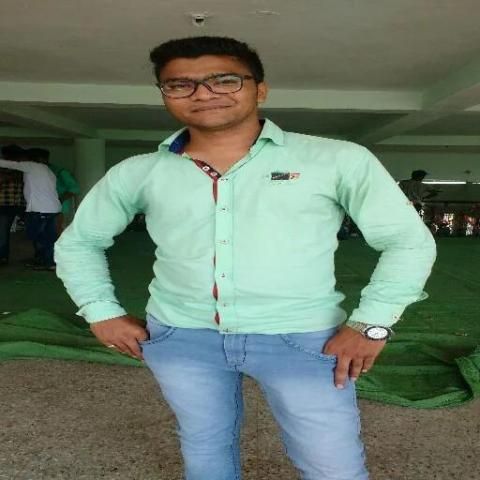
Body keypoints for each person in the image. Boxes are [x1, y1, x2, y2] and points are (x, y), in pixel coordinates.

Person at [55, 36, 437, 480]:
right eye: (180, 84)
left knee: (331, 464)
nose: (203, 93)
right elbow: (79, 242)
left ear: (260, 89)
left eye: (225, 80)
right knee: (204, 449)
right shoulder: (139, 171)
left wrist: (371, 324)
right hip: (181, 336)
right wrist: (101, 312)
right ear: (164, 94)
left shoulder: (336, 159)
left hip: (303, 338)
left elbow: (407, 241)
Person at [0, 147, 61, 271]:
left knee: (35, 235)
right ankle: (49, 262)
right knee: (49, 237)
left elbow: (9, 164)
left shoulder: (32, 166)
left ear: (31, 158)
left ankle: (46, 261)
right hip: (53, 209)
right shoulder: (48, 170)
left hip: (40, 209)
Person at [26, 148, 79, 235]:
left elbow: (74, 189)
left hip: (59, 209)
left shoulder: (59, 171)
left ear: (43, 159)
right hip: (41, 208)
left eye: (33, 159)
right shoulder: (34, 171)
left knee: (56, 232)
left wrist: (59, 200)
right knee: (42, 234)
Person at [0, 145, 27, 265]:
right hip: (3, 204)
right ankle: (2, 257)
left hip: (22, 204)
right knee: (2, 233)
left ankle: (41, 256)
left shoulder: (23, 168)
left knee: (35, 229)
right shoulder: (3, 167)